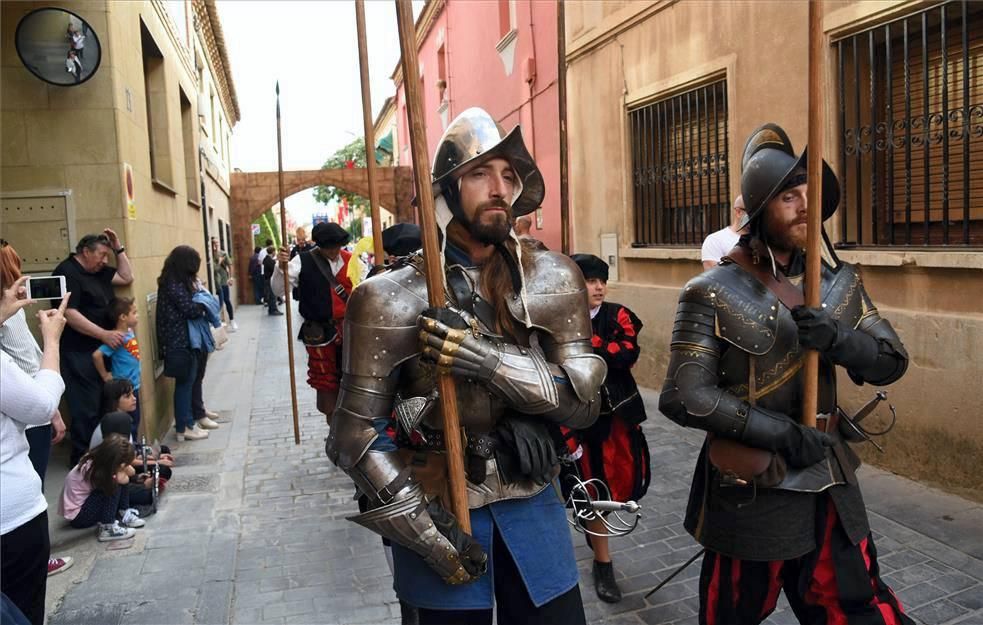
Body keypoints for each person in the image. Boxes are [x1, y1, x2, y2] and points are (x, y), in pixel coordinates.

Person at [326, 108, 606, 623]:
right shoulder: (388, 297)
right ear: (446, 191)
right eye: (480, 173)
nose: (499, 187)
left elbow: (584, 406)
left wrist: (489, 361)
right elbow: (354, 434)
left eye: (508, 175)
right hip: (438, 501)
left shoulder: (552, 277)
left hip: (531, 493)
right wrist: (426, 533)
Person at [659, 123, 913, 625]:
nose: (804, 204)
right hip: (755, 481)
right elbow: (684, 394)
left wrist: (839, 340)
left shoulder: (839, 283)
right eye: (788, 195)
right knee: (733, 612)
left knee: (854, 605)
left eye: (810, 194)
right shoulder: (710, 290)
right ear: (758, 209)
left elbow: (891, 360)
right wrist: (781, 433)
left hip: (830, 473)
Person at [567, 253, 651, 604]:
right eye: (590, 280)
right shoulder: (562, 320)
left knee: (622, 485)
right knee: (592, 491)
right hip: (580, 419)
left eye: (602, 279)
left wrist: (589, 345)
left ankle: (596, 537)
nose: (599, 286)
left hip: (618, 418)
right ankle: (604, 564)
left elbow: (626, 355)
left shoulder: (619, 315)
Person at [0, 244, 73, 577]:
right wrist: (53, 339)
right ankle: (40, 561)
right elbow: (26, 361)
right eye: (12, 264)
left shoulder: (10, 311)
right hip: (12, 520)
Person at [52, 230, 133, 465]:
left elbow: (126, 277)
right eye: (101, 255)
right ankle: (82, 462)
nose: (104, 260)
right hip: (78, 353)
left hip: (104, 351)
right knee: (85, 409)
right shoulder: (66, 273)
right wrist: (104, 334)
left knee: (103, 405)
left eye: (108, 256)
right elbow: (68, 312)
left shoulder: (98, 271)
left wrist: (119, 249)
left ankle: (104, 458)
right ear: (85, 252)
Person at [272, 222, 352, 421]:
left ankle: (351, 424)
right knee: (326, 383)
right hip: (319, 332)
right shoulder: (302, 261)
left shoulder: (354, 261)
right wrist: (280, 267)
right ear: (319, 245)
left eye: (337, 246)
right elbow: (278, 290)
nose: (333, 250)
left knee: (354, 378)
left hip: (351, 331)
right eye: (328, 247)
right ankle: (333, 425)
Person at [155, 246, 213, 442]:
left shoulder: (174, 281)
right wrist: (203, 305)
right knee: (185, 384)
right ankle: (185, 426)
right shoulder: (173, 284)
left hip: (182, 340)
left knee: (188, 381)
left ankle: (190, 422)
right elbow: (190, 309)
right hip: (179, 341)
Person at [59, 433, 143, 541]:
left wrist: (124, 469)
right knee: (114, 483)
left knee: (118, 478)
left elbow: (131, 472)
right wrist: (124, 472)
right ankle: (107, 528)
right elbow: (124, 478)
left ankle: (123, 512)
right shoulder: (94, 468)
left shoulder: (100, 461)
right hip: (79, 517)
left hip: (85, 506)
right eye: (123, 463)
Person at [92, 297, 142, 440]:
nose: (137, 316)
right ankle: (129, 452)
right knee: (128, 423)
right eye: (134, 313)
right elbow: (97, 355)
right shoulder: (118, 337)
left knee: (135, 420)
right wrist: (105, 375)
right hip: (123, 390)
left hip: (133, 386)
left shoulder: (129, 331)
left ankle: (135, 449)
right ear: (123, 317)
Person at [701, 195, 746, 270]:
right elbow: (715, 277)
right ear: (738, 212)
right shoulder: (715, 240)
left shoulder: (764, 239)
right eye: (752, 211)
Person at [214, 252, 237, 332]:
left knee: (227, 301)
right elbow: (215, 269)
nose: (216, 247)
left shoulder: (222, 253)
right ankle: (217, 323)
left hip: (224, 282)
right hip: (216, 284)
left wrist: (231, 278)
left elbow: (230, 265)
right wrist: (219, 261)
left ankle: (232, 320)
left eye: (217, 244)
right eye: (214, 244)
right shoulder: (210, 255)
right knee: (220, 303)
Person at [262, 246, 282, 316]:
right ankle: (273, 309)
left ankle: (272, 309)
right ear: (273, 252)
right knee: (272, 295)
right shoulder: (269, 260)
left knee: (272, 295)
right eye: (275, 251)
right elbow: (274, 268)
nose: (275, 253)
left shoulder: (267, 259)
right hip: (270, 279)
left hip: (268, 279)